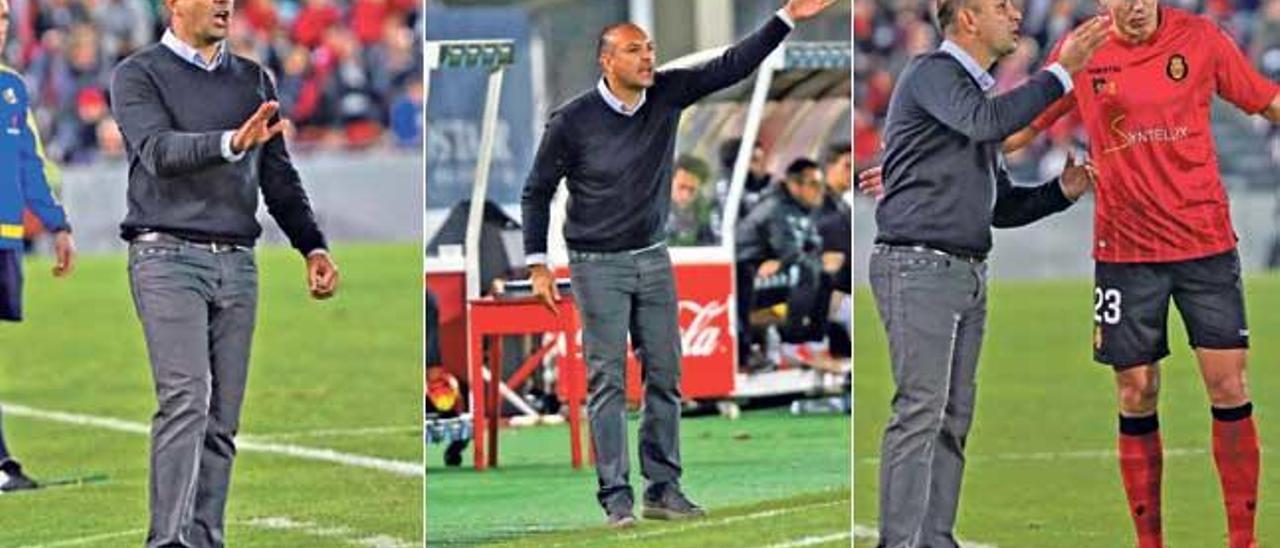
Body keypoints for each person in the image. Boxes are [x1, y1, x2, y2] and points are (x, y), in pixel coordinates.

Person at [521, 0, 836, 528]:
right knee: (607, 382)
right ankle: (616, 497)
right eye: (633, 51)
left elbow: (733, 64)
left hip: (651, 256)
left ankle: (663, 489)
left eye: (649, 49)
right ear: (606, 62)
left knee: (666, 375)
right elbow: (536, 192)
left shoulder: (666, 93)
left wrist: (785, 17)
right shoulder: (572, 121)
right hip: (595, 263)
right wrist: (537, 264)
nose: (647, 58)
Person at [1000, 2, 1280, 545]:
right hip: (1125, 250)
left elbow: (1266, 101)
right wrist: (924, 151)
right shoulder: (1081, 49)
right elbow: (1015, 134)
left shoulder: (1201, 38)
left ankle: (1242, 541)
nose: (1132, 7)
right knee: (1136, 392)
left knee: (1228, 386)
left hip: (1204, 242)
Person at [867, 0, 1107, 546]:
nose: (1016, 13)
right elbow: (989, 123)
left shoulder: (968, 95)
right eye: (1001, 5)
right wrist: (1062, 71)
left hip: (964, 270)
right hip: (919, 263)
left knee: (952, 418)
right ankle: (898, 541)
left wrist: (1060, 193)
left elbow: (999, 207)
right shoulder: (933, 73)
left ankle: (935, 537)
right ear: (967, 18)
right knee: (920, 412)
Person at [109, 0, 339, 545]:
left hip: (237, 262)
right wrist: (231, 142)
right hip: (166, 256)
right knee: (186, 399)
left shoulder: (253, 79)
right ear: (172, 4)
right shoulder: (137, 75)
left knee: (222, 421)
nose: (224, 4)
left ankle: (204, 538)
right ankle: (165, 541)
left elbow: (278, 174)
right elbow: (159, 151)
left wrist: (312, 246)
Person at [0, 0, 75, 494]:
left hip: (4, 240)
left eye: (5, 17)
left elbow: (29, 162)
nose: (0, 25)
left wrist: (57, 224)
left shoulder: (12, 88)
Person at [735, 157, 832, 371]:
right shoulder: (778, 209)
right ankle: (792, 343)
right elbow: (792, 251)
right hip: (743, 277)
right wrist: (786, 259)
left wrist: (781, 261)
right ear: (794, 185)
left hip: (763, 273)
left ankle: (812, 341)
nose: (820, 190)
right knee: (807, 270)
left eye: (821, 184)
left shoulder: (799, 209)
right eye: (814, 184)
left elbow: (813, 246)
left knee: (821, 273)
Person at [666, 154, 716, 247]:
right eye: (681, 187)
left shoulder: (704, 209)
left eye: (692, 190)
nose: (685, 195)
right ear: (669, 180)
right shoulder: (653, 206)